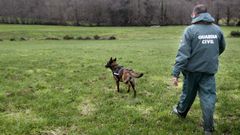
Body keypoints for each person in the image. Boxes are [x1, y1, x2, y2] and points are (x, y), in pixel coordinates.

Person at [171, 4, 226, 135]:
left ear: (195, 15)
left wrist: (175, 73)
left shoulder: (190, 30)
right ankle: (208, 128)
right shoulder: (217, 30)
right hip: (209, 70)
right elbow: (222, 47)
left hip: (192, 71)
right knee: (208, 98)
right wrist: (210, 57)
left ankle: (181, 112)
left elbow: (183, 54)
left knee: (188, 93)